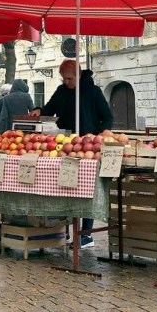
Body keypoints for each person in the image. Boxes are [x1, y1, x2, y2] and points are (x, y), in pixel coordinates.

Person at [32, 59, 113, 248]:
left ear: (78, 75)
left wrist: (99, 136)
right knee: (69, 187)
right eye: (64, 79)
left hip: (88, 148)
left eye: (69, 78)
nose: (66, 82)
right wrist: (39, 110)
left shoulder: (93, 92)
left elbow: (107, 117)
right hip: (66, 145)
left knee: (86, 190)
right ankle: (72, 230)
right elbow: (49, 109)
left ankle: (87, 234)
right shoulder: (61, 91)